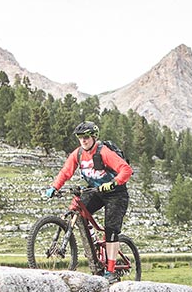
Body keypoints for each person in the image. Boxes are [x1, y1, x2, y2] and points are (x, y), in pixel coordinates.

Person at [45, 121, 133, 283]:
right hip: (96, 190)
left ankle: (111, 271)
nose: (83, 141)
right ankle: (92, 252)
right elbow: (66, 172)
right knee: (75, 210)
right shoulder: (77, 154)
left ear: (93, 137)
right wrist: (54, 187)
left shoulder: (104, 152)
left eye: (86, 137)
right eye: (80, 138)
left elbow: (126, 169)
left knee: (110, 230)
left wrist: (113, 183)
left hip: (116, 193)